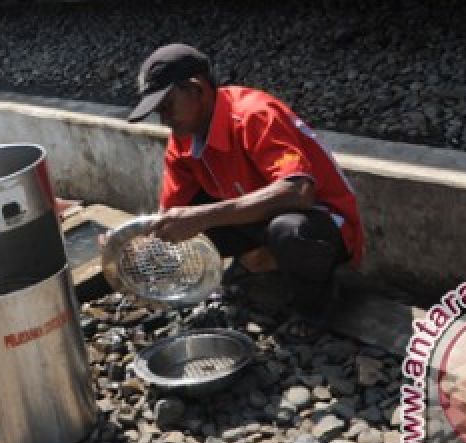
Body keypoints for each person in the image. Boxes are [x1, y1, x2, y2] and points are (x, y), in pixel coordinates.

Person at [127, 44, 364, 336]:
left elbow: (298, 192)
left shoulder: (253, 114)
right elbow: (171, 213)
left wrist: (203, 217)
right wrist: (131, 242)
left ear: (197, 89)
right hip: (257, 215)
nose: (164, 120)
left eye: (167, 106)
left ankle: (314, 308)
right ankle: (260, 260)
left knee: (288, 232)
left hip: (322, 221)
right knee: (183, 222)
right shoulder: (183, 139)